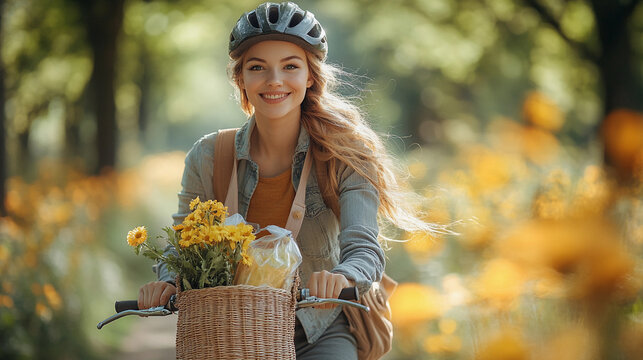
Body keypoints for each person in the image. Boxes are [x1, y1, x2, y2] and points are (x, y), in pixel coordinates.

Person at [137, 2, 436, 359]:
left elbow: (364, 248)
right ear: (241, 80)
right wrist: (167, 280)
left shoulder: (346, 153)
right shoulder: (207, 157)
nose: (274, 80)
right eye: (257, 67)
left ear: (310, 76)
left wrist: (343, 276)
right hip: (232, 330)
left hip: (320, 327)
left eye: (290, 66)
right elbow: (182, 245)